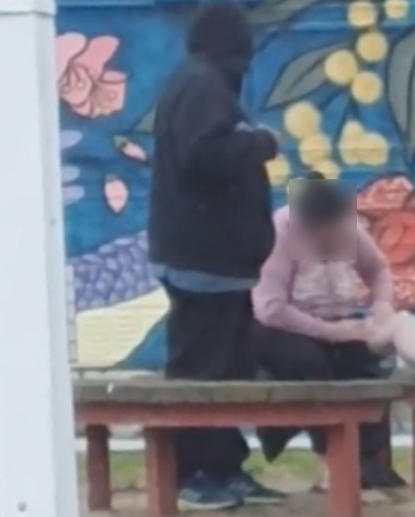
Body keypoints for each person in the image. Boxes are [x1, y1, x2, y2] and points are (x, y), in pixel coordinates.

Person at [251, 176, 415, 488]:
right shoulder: (280, 233)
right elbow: (270, 309)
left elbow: (379, 269)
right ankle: (332, 466)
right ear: (308, 225)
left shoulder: (349, 230)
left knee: (393, 334)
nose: (334, 238)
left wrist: (381, 306)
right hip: (284, 330)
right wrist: (331, 332)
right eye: (326, 234)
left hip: (340, 323)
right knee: (313, 367)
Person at [147, 1, 284, 510]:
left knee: (230, 369)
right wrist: (260, 144)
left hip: (220, 266)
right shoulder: (202, 86)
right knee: (200, 372)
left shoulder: (199, 84)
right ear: (233, 49)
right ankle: (193, 473)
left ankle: (225, 466)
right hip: (201, 260)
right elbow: (206, 154)